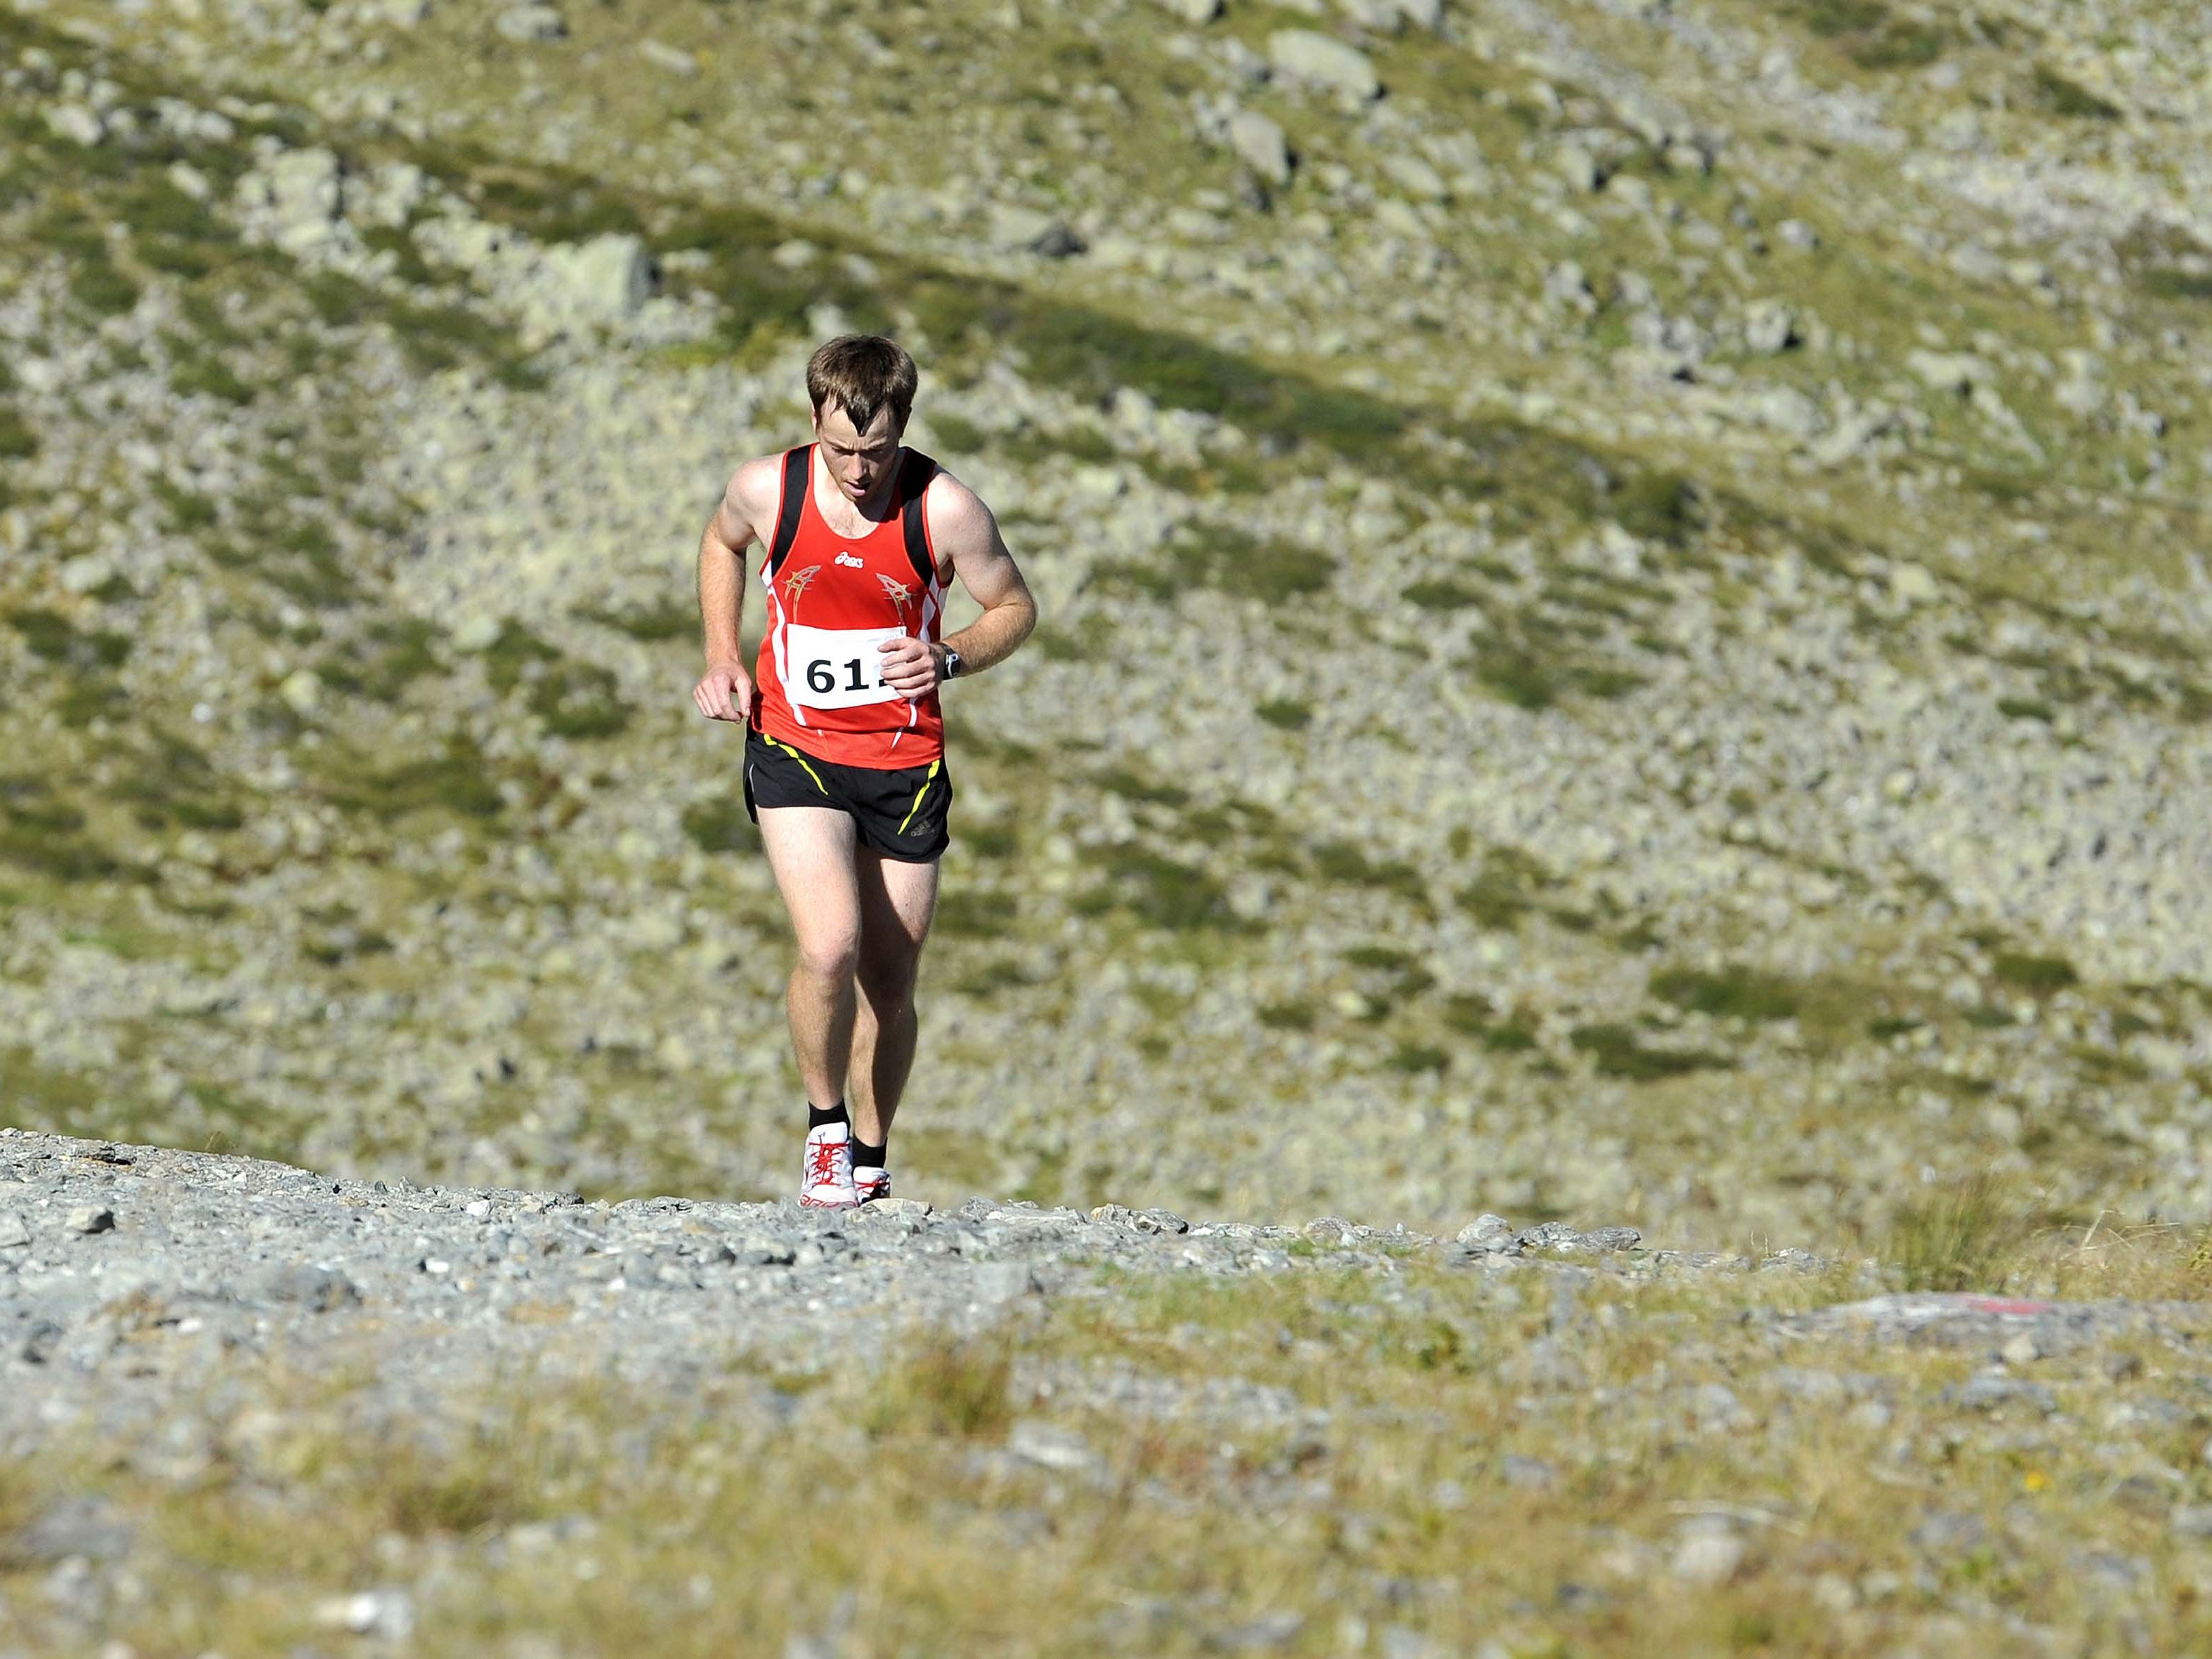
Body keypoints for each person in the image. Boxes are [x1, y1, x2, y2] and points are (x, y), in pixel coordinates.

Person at [692, 336, 1038, 1207]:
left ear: (904, 425)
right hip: (793, 745)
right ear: (813, 419)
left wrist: (948, 658)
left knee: (891, 976)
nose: (857, 469)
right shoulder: (767, 487)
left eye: (876, 450)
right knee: (828, 943)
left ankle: (872, 1157)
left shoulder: (946, 509)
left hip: (902, 763)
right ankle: (824, 1131)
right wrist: (721, 654)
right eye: (841, 448)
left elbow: (1015, 607)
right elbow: (721, 541)